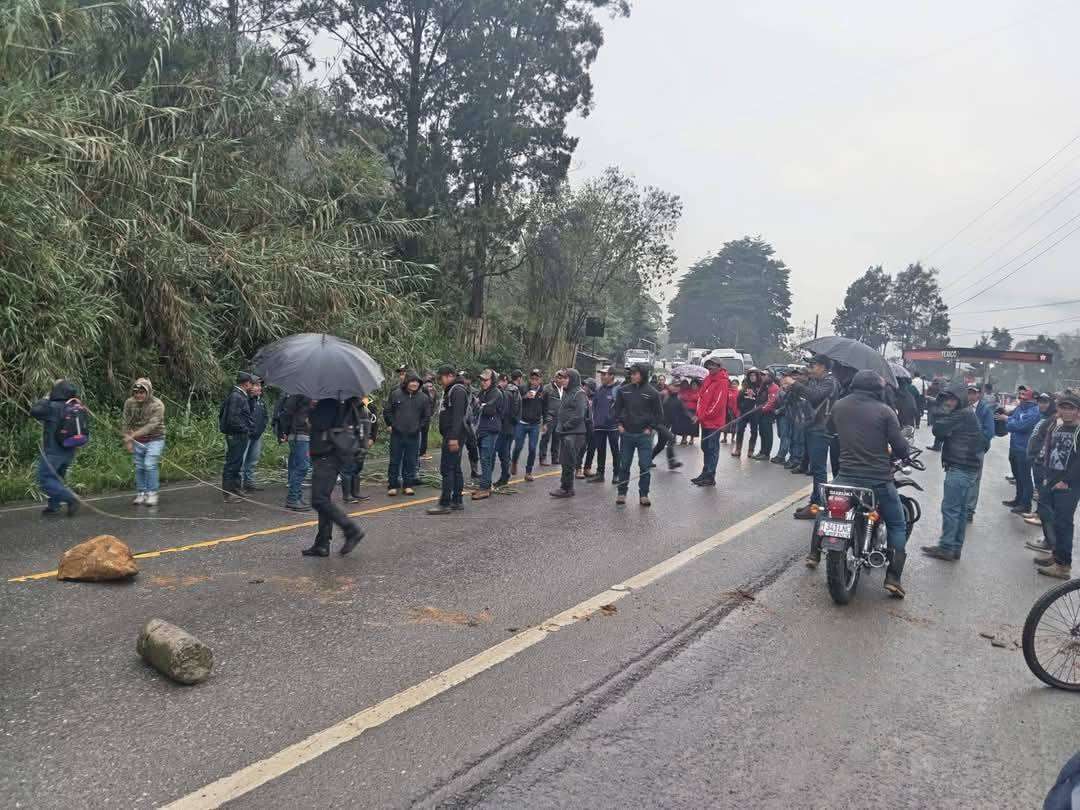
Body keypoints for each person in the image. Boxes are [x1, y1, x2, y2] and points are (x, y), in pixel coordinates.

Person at [812, 371, 911, 596]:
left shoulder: (839, 406)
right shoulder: (885, 411)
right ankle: (893, 578)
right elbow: (899, 445)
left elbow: (829, 430)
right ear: (878, 389)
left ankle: (814, 553)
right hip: (877, 480)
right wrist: (905, 456)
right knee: (897, 523)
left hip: (845, 476)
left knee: (827, 510)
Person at [921, 382, 987, 563]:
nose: (949, 402)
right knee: (960, 511)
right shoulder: (966, 413)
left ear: (960, 399)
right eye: (947, 399)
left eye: (952, 399)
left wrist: (939, 409)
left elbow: (938, 430)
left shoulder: (961, 414)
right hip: (969, 467)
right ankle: (954, 547)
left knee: (950, 509)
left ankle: (946, 547)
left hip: (960, 466)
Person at [302, 397, 366, 557]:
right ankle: (322, 543)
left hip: (327, 453)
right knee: (324, 499)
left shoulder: (329, 402)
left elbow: (318, 423)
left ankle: (351, 530)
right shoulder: (345, 401)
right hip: (334, 453)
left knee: (319, 500)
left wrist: (310, 411)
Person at [1031, 393, 1080, 580]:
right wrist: (1045, 476)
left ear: (1077, 411)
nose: (1067, 411)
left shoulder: (1078, 431)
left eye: (1071, 408)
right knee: (1047, 516)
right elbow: (1049, 452)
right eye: (1063, 407)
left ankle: (1063, 566)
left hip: (1068, 486)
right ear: (1058, 409)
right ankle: (1056, 555)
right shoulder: (1058, 428)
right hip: (1050, 480)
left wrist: (1066, 480)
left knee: (1063, 524)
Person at [789, 357, 839, 519]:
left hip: (821, 429)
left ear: (823, 367)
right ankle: (814, 502)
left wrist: (795, 384)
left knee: (818, 470)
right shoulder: (819, 381)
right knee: (815, 468)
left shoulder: (829, 381)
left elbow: (815, 397)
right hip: (813, 427)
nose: (810, 368)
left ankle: (818, 505)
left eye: (813, 365)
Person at [30, 379, 84, 517]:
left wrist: (46, 397)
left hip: (53, 452)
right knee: (57, 478)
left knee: (45, 478)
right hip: (69, 450)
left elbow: (34, 411)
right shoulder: (75, 406)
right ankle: (54, 506)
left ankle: (71, 499)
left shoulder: (52, 406)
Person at [613, 364, 663, 506]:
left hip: (644, 436)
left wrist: (650, 428)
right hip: (627, 434)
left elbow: (659, 415)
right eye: (632, 374)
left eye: (636, 374)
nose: (633, 376)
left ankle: (644, 495)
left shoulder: (653, 393)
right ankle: (621, 493)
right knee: (624, 465)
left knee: (645, 466)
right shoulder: (623, 391)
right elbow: (617, 410)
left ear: (643, 375)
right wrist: (619, 425)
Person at [384, 370, 432, 497]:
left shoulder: (423, 398)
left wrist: (419, 427)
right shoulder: (396, 394)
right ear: (406, 382)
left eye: (417, 382)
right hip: (397, 434)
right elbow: (388, 411)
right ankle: (393, 485)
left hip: (414, 435)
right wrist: (392, 424)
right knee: (395, 460)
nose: (414, 384)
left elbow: (426, 416)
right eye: (412, 381)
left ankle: (408, 485)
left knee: (411, 460)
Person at [428, 367, 469, 515]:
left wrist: (453, 438)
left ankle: (444, 503)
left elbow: (458, 416)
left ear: (450, 376)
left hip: (454, 435)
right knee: (455, 468)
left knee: (447, 469)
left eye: (441, 378)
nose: (440, 381)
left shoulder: (457, 391)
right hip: (453, 434)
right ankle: (457, 501)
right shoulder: (452, 389)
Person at [122, 378, 166, 507]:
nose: (138, 395)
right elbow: (126, 421)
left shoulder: (157, 404)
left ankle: (152, 493)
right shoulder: (129, 403)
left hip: (155, 438)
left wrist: (133, 435)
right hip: (137, 440)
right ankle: (142, 492)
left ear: (148, 392)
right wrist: (128, 440)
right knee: (140, 466)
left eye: (142, 392)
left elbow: (152, 425)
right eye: (136, 392)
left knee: (149, 464)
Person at [692, 357, 731, 487]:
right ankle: (705, 472)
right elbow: (701, 398)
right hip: (705, 421)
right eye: (708, 366)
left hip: (714, 422)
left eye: (713, 365)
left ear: (719, 366)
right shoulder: (709, 379)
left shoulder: (722, 381)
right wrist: (699, 414)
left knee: (712, 448)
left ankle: (710, 476)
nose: (710, 368)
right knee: (705, 447)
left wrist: (702, 416)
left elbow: (718, 404)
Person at [219, 372, 255, 503]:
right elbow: (232, 419)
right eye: (251, 384)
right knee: (232, 464)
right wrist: (245, 429)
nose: (252, 386)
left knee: (238, 463)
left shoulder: (241, 396)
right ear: (246, 384)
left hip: (240, 435)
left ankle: (236, 489)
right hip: (236, 435)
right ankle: (228, 494)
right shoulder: (236, 396)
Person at [551, 369, 588, 498]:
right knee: (565, 461)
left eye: (566, 378)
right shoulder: (567, 392)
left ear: (572, 379)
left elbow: (579, 415)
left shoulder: (579, 394)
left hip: (574, 433)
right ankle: (566, 488)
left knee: (569, 461)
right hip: (566, 432)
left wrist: (566, 426)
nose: (563, 380)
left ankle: (566, 488)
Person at [1002, 388, 1040, 514]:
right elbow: (1011, 425)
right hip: (1014, 446)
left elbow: (1021, 426)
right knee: (1017, 475)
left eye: (1025, 399)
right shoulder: (1020, 408)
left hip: (1025, 448)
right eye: (1021, 398)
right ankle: (1018, 499)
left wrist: (1010, 421)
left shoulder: (1034, 412)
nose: (1022, 400)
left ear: (1032, 400)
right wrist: (1012, 422)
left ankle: (1025, 504)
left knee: (1025, 477)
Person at [1024, 394, 1057, 534]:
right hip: (1037, 460)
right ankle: (1038, 513)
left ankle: (1044, 525)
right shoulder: (1045, 418)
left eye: (1045, 402)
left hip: (1043, 463)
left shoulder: (1054, 420)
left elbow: (1048, 443)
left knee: (1044, 496)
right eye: (1040, 402)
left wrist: (1038, 457)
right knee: (1040, 493)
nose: (1042, 405)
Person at [277, 393, 314, 511]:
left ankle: (297, 495)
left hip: (303, 435)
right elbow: (286, 415)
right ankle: (293, 498)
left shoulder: (307, 397)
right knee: (302, 466)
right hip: (299, 435)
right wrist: (285, 431)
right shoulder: (298, 396)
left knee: (297, 466)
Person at [965, 384, 996, 523]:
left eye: (973, 393)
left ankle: (969, 510)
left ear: (979, 394)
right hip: (960, 449)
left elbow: (989, 432)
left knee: (974, 480)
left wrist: (976, 442)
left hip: (977, 450)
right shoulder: (963, 406)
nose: (971, 395)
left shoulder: (985, 409)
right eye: (969, 392)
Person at [472, 369, 504, 500]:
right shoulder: (483, 392)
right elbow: (475, 407)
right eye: (482, 380)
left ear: (492, 380)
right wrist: (480, 405)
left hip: (490, 430)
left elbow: (488, 409)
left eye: (486, 380)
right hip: (481, 429)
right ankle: (486, 484)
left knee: (486, 458)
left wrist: (481, 405)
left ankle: (485, 488)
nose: (483, 382)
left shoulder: (496, 393)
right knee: (485, 458)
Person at [339, 397, 376, 504]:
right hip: (349, 440)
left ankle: (355, 492)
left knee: (357, 467)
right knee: (347, 468)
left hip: (362, 440)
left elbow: (370, 423)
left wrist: (369, 438)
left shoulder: (364, 407)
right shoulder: (345, 405)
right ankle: (347, 495)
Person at [588, 367, 621, 483]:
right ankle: (600, 474)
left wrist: (617, 421)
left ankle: (617, 474)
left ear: (612, 376)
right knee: (600, 450)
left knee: (615, 450)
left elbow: (622, 408)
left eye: (604, 374)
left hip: (613, 426)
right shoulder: (599, 389)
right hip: (599, 425)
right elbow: (594, 406)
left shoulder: (618, 389)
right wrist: (594, 420)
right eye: (601, 374)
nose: (602, 376)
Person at [513, 369, 546, 482]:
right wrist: (524, 397)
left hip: (535, 424)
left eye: (536, 379)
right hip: (522, 422)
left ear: (540, 380)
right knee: (518, 446)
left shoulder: (543, 391)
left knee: (532, 448)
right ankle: (514, 462)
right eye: (532, 379)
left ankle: (528, 472)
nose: (534, 381)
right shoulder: (522, 388)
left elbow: (546, 408)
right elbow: (515, 402)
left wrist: (545, 423)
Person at [241, 377, 268, 493]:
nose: (259, 388)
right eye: (257, 385)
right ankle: (237, 485)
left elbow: (265, 416)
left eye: (260, 385)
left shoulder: (261, 401)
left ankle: (249, 483)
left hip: (257, 435)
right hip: (245, 435)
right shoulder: (243, 399)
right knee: (240, 461)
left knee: (252, 461)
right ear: (250, 386)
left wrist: (262, 428)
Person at [652, 381, 686, 470]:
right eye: (675, 386)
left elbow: (683, 410)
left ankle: (647, 460)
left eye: (678, 386)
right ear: (670, 386)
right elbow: (652, 405)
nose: (676, 388)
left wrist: (693, 416)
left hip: (668, 425)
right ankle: (672, 463)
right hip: (659, 423)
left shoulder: (678, 398)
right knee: (671, 438)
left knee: (660, 445)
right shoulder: (663, 394)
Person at [496, 373, 521, 487]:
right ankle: (505, 475)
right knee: (505, 452)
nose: (498, 384)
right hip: (512, 426)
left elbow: (504, 411)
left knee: (503, 453)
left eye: (499, 381)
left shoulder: (507, 393)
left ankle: (504, 477)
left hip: (505, 427)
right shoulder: (516, 391)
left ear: (504, 381)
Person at [733, 370, 761, 458]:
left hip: (754, 413)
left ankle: (751, 451)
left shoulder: (760, 387)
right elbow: (739, 399)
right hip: (744, 413)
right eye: (751, 375)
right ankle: (738, 449)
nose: (752, 377)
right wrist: (741, 408)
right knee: (740, 430)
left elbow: (762, 400)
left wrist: (757, 408)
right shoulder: (744, 386)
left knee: (754, 432)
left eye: (754, 375)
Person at [539, 371, 565, 466]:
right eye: (558, 377)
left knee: (557, 439)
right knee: (545, 438)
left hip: (560, 418)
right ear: (554, 378)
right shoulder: (547, 388)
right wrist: (543, 418)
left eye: (562, 378)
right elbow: (541, 402)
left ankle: (555, 458)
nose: (560, 379)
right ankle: (543, 458)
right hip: (549, 417)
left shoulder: (565, 389)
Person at [753, 371, 779, 460]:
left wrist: (762, 409)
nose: (763, 377)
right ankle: (762, 451)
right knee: (762, 433)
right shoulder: (764, 386)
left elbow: (771, 402)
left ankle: (766, 453)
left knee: (767, 434)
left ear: (771, 377)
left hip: (767, 413)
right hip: (761, 413)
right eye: (762, 375)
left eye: (765, 375)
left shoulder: (774, 387)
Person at [578, 377, 597, 478]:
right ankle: (578, 469)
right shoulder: (580, 396)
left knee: (592, 448)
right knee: (581, 447)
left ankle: (587, 468)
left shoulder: (595, 398)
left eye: (586, 386)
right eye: (583, 385)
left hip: (594, 426)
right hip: (583, 425)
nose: (583, 387)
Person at [419, 374, 436, 462]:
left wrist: (431, 413)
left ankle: (423, 452)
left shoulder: (434, 392)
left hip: (427, 416)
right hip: (421, 417)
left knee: (425, 434)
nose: (430, 387)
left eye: (431, 386)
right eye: (428, 386)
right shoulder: (421, 393)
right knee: (420, 434)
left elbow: (433, 404)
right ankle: (420, 452)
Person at [677, 379, 699, 445]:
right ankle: (684, 438)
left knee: (693, 426)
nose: (693, 386)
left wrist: (691, 398)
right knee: (685, 425)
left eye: (695, 385)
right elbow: (682, 396)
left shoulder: (700, 392)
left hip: (695, 410)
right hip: (687, 410)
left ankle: (692, 439)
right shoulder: (687, 390)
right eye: (692, 384)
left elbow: (699, 399)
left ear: (697, 386)